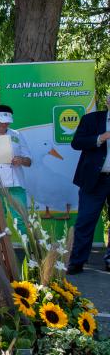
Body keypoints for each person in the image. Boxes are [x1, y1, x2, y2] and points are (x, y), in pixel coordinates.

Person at [67, 93, 110, 275]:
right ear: (107, 101)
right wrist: (101, 137)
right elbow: (76, 143)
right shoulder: (91, 119)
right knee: (85, 221)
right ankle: (77, 262)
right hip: (95, 180)